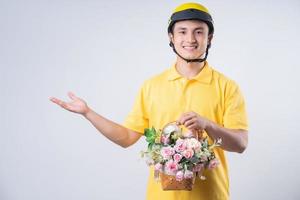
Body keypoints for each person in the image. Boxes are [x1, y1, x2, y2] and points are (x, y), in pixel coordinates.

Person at [50, 2, 248, 200]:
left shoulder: (227, 87)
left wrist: (207, 124)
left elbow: (240, 144)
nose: (190, 39)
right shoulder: (152, 86)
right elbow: (127, 137)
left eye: (198, 32)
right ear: (171, 37)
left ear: (209, 37)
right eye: (182, 31)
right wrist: (88, 113)